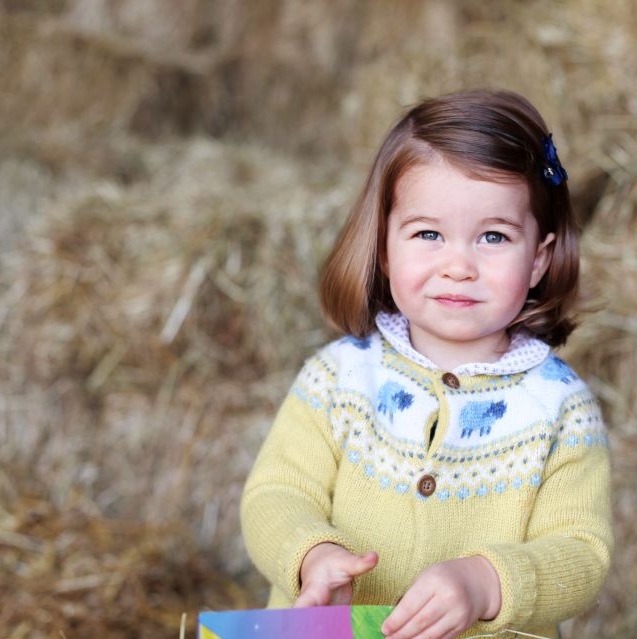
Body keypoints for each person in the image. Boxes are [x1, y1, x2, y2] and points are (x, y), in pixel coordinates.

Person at [241, 89, 613, 639]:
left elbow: (582, 552)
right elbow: (276, 493)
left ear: (538, 258)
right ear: (386, 248)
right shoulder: (339, 378)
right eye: (428, 234)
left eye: (493, 236)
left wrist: (487, 581)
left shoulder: (560, 408)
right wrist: (311, 555)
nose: (458, 265)